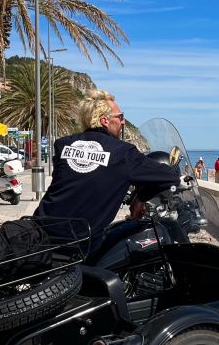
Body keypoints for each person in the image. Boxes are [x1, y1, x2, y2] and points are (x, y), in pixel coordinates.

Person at [34, 90, 180, 251]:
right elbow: (171, 177)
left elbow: (82, 182)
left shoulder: (63, 145)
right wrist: (141, 197)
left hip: (37, 234)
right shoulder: (123, 153)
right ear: (104, 120)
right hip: (76, 247)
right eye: (120, 117)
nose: (123, 122)